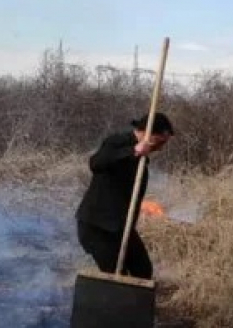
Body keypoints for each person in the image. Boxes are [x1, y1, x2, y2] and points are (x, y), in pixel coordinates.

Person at [74, 112, 174, 279]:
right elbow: (96, 163)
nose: (161, 148)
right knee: (115, 275)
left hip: (120, 228)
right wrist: (133, 150)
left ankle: (137, 304)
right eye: (160, 141)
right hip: (96, 227)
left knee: (142, 270)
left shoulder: (143, 158)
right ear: (148, 133)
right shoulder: (118, 141)